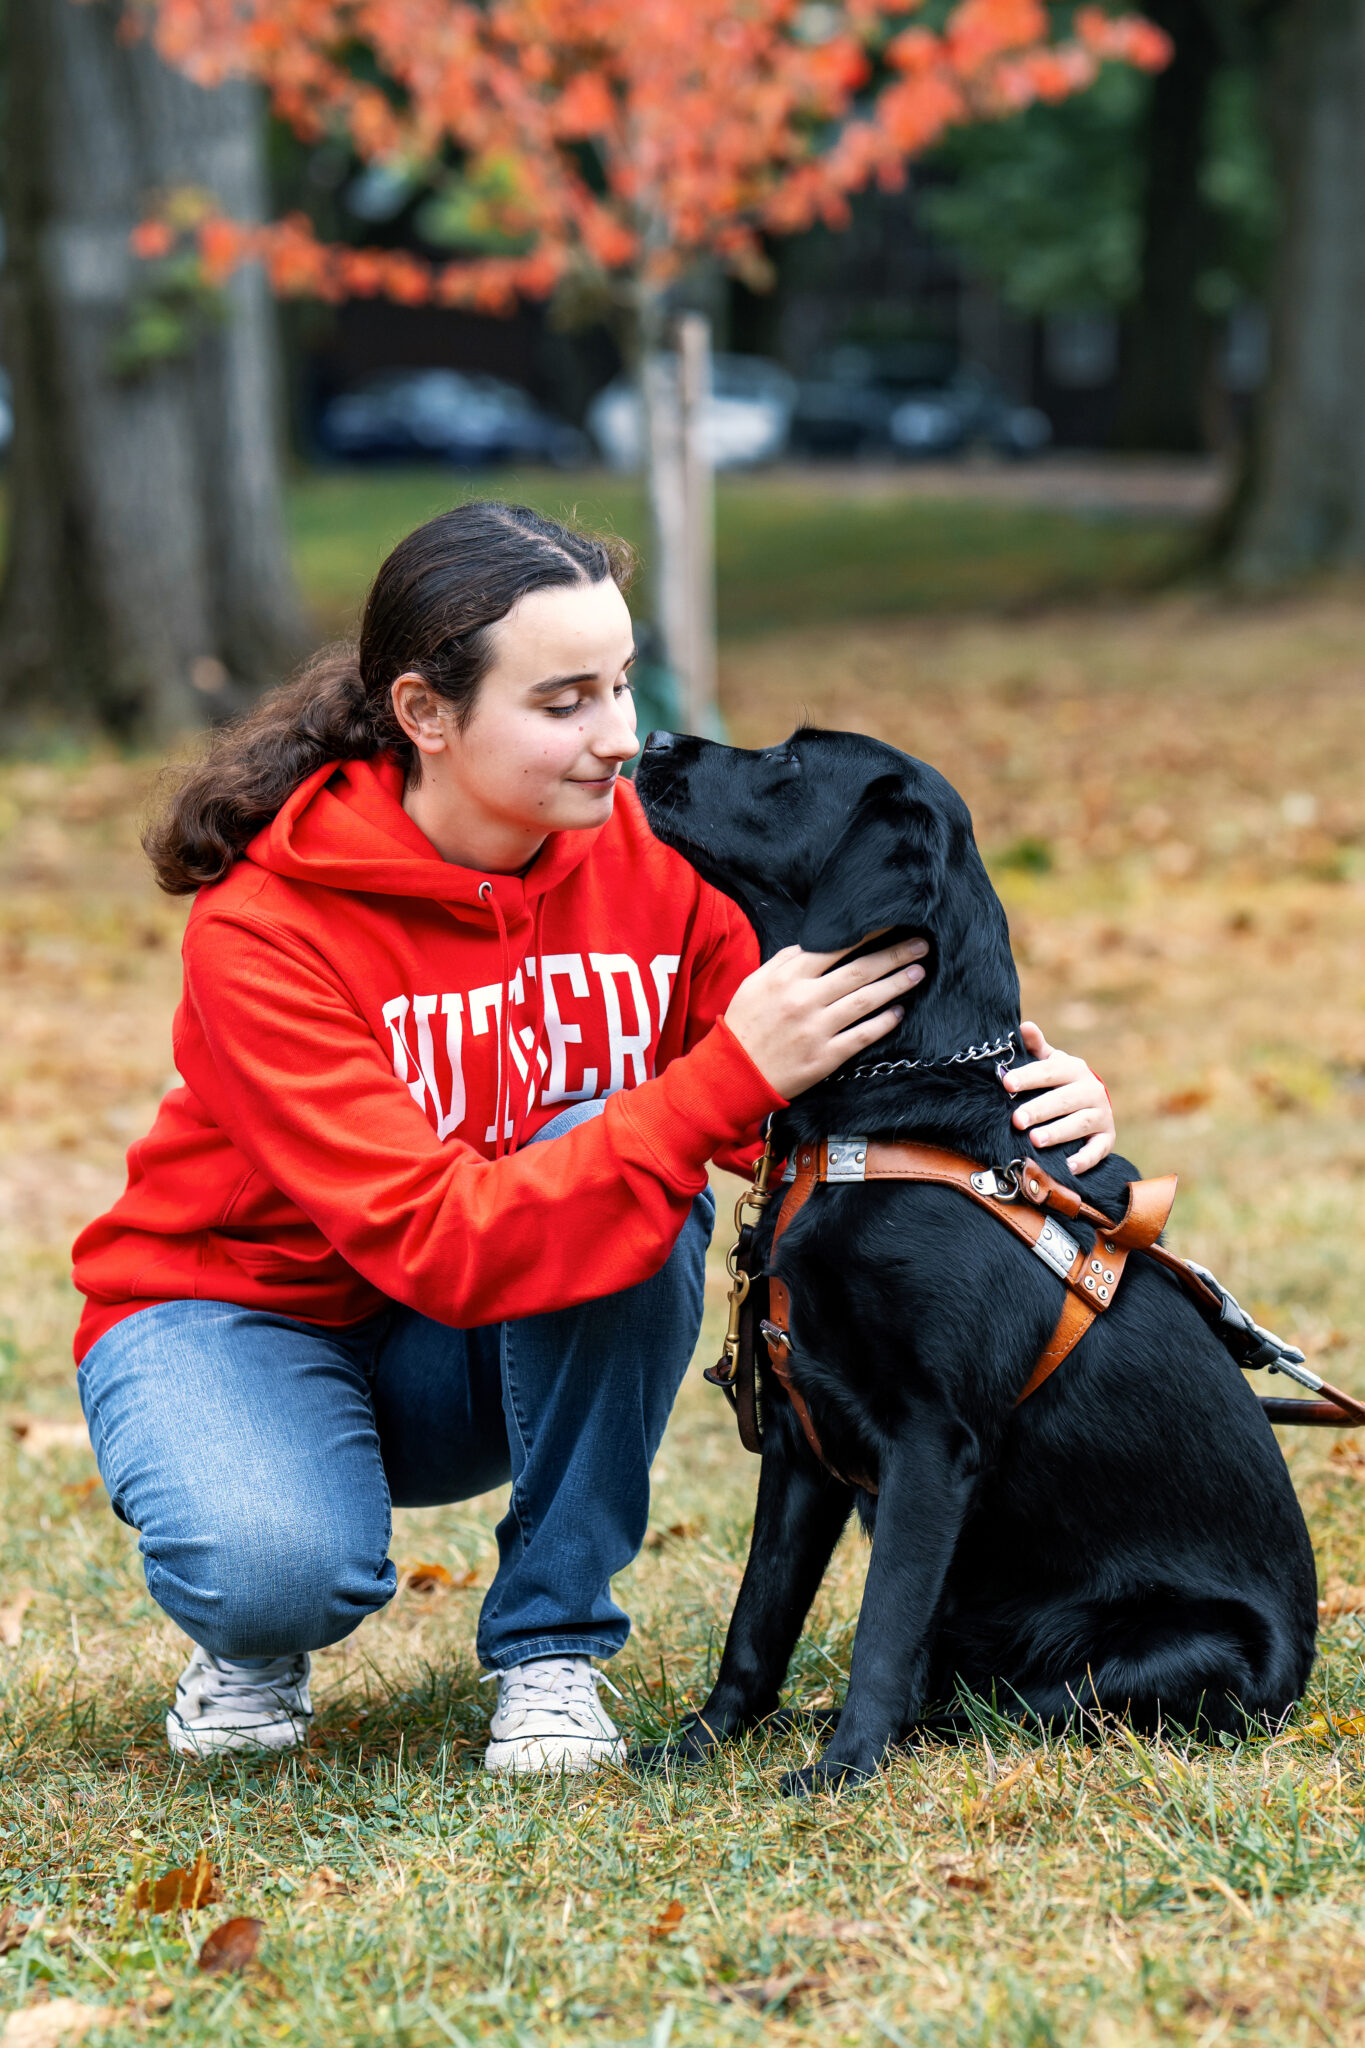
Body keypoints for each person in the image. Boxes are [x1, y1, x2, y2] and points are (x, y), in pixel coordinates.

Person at [71, 502, 1116, 1771]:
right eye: (564, 702)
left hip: (466, 1353)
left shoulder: (657, 857)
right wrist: (721, 1075)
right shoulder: (268, 925)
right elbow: (444, 1234)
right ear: (425, 712)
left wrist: (1013, 1109)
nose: (621, 736)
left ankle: (551, 1648)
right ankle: (250, 1627)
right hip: (238, 1313)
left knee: (618, 1161)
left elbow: (816, 1078)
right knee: (279, 1570)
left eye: (621, 685)